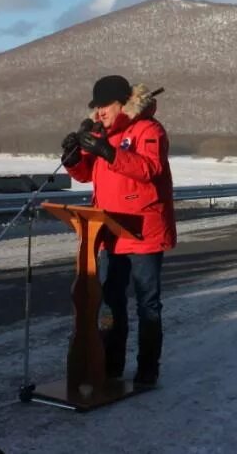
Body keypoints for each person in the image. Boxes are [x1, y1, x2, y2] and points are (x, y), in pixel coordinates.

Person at [60, 75, 175, 387]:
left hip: (143, 231)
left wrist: (108, 151)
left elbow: (149, 169)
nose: (99, 112)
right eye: (95, 107)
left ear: (122, 103)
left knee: (147, 303)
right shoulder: (101, 134)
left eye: (105, 106)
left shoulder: (149, 129)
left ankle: (148, 370)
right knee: (111, 302)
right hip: (109, 233)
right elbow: (86, 174)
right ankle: (110, 366)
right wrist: (72, 159)